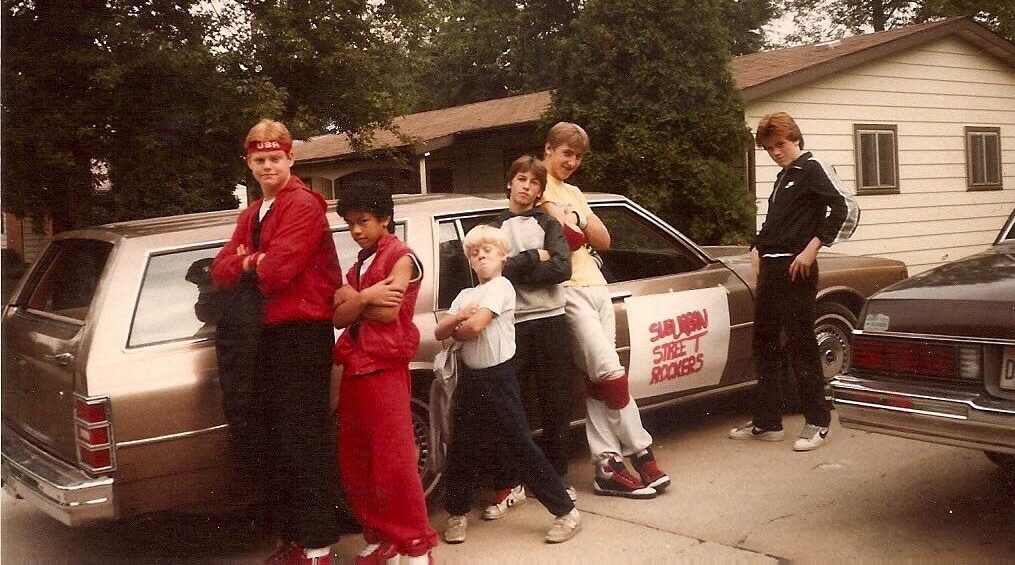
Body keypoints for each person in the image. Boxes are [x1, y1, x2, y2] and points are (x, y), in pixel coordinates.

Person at [211, 119, 343, 565]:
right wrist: (247, 262)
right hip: (263, 333)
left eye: (275, 158)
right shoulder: (251, 213)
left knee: (304, 436)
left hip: (302, 333)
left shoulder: (304, 204)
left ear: (291, 158)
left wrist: (249, 262)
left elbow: (278, 271)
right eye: (259, 160)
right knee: (273, 438)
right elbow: (220, 271)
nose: (267, 166)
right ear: (249, 163)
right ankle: (294, 538)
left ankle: (319, 547)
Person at [538, 122, 669, 499]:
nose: (573, 162)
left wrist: (574, 218)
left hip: (598, 287)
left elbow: (604, 239)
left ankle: (606, 466)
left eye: (578, 156)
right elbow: (573, 238)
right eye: (567, 153)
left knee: (599, 383)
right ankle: (642, 452)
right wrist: (576, 224)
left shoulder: (574, 192)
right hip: (569, 292)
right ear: (549, 149)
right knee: (611, 374)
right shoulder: (539, 185)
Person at [435, 225, 581, 545]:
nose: (481, 256)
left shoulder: (502, 287)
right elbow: (438, 331)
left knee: (520, 445)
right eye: (474, 253)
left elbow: (472, 327)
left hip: (498, 376)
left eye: (487, 251)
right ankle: (457, 512)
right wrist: (456, 321)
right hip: (470, 377)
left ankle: (565, 510)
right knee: (461, 446)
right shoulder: (465, 295)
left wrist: (458, 324)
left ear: (503, 257)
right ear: (469, 261)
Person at [728, 111, 859, 452]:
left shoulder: (814, 168)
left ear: (796, 139)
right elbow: (775, 223)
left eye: (780, 145)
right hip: (770, 270)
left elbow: (847, 208)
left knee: (802, 344)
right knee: (765, 344)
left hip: (796, 270)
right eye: (769, 148)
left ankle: (817, 421)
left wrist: (813, 248)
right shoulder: (783, 177)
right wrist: (756, 246)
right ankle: (767, 423)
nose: (776, 152)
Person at [331, 185, 438, 565]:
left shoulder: (402, 256)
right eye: (349, 224)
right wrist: (363, 299)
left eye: (363, 222)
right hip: (356, 365)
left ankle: (417, 545)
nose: (356, 230)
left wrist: (355, 300)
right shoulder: (358, 264)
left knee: (394, 459)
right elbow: (338, 315)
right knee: (357, 458)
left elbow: (390, 310)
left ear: (385, 219)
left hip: (384, 367)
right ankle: (380, 538)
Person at [483, 156, 574, 518]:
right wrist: (529, 259)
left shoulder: (549, 223)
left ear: (540, 191)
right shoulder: (492, 228)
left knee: (555, 401)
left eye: (535, 183)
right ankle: (513, 483)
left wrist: (513, 268)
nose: (527, 187)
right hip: (511, 323)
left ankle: (558, 476)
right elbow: (491, 272)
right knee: (511, 406)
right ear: (510, 182)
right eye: (521, 179)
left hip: (551, 320)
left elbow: (562, 268)